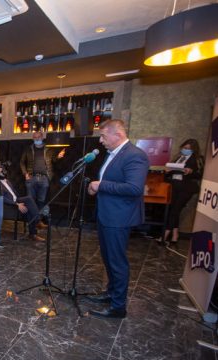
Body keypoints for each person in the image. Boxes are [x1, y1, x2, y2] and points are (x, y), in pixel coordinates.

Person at [87, 119, 149, 319]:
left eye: (103, 136)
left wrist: (100, 185)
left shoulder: (134, 155)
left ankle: (118, 307)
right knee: (108, 258)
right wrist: (95, 187)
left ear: (118, 135)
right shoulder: (113, 153)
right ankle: (111, 293)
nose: (100, 140)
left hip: (119, 218)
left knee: (117, 262)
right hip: (107, 215)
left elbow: (134, 188)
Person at [160, 138, 203, 245]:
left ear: (194, 150)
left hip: (186, 188)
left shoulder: (198, 159)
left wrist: (191, 171)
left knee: (175, 210)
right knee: (174, 210)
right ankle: (175, 235)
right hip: (174, 186)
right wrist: (168, 171)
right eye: (184, 147)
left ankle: (165, 235)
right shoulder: (178, 157)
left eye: (188, 148)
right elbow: (172, 171)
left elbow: (199, 175)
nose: (185, 150)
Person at [19, 131, 65, 226]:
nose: (37, 139)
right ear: (33, 138)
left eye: (39, 137)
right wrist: (25, 173)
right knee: (30, 201)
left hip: (44, 178)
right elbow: (22, 162)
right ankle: (31, 222)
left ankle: (38, 221)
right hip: (31, 178)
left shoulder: (49, 149)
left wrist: (59, 156)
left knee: (41, 201)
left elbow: (54, 160)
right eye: (35, 137)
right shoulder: (28, 149)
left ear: (42, 137)